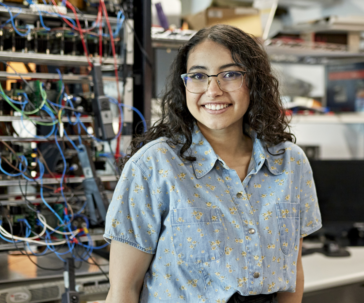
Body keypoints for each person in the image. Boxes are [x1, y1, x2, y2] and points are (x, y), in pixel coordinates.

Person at [103, 24, 322, 303]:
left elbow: (293, 273)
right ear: (184, 86)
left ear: (254, 82)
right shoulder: (153, 166)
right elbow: (124, 290)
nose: (212, 89)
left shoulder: (290, 163)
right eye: (198, 76)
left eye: (229, 74)